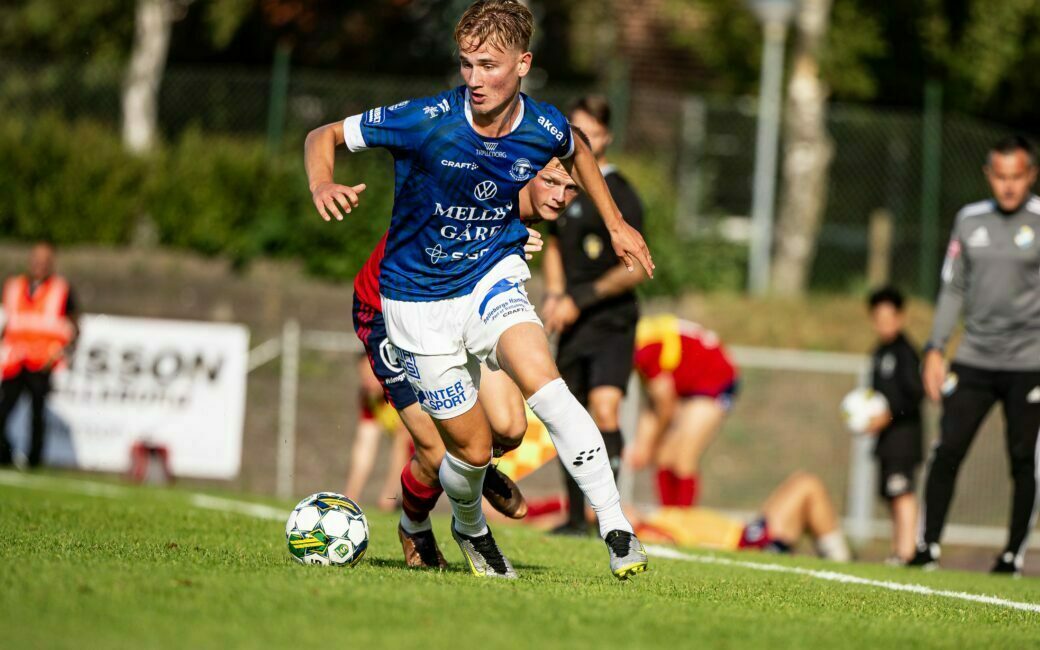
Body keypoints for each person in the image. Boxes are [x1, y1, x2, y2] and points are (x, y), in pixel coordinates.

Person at [306, 0, 654, 580]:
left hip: (487, 280)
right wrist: (323, 182)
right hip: (413, 302)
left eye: (487, 65)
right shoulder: (428, 119)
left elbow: (577, 148)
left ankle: (617, 528)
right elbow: (325, 133)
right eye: (466, 64)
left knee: (537, 394)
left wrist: (615, 223)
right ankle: (460, 524)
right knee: (457, 450)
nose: (473, 79)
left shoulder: (541, 129)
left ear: (523, 64)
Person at [352, 159, 581, 568]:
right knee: (437, 451)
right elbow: (428, 237)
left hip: (459, 311)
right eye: (551, 182)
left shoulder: (526, 215)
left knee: (510, 428)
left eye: (571, 188)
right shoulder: (479, 183)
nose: (560, 197)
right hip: (392, 311)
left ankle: (477, 463)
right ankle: (414, 526)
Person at [912, 135, 1040, 575]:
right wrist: (935, 348)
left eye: (1016, 176)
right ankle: (926, 547)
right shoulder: (969, 220)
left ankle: (1011, 555)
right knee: (947, 448)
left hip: (1030, 362)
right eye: (1000, 176)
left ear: (1031, 175)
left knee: (1023, 458)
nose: (1008, 186)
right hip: (974, 357)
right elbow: (953, 288)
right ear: (988, 175)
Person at [541, 95, 647, 535]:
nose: (583, 138)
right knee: (568, 415)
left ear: (607, 138)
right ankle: (573, 518)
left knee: (605, 409)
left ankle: (608, 515)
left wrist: (579, 298)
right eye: (576, 128)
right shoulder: (560, 183)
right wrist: (555, 293)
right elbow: (552, 242)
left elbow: (635, 268)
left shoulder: (620, 193)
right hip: (572, 320)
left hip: (611, 320)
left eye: (593, 132)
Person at [627, 314, 738, 508]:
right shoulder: (640, 340)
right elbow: (654, 402)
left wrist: (651, 443)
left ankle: (682, 518)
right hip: (687, 388)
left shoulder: (644, 350)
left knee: (684, 455)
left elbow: (664, 404)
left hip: (715, 384)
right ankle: (669, 515)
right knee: (664, 457)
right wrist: (643, 444)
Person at [636, 471, 851, 562]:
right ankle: (840, 562)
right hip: (747, 544)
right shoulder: (646, 533)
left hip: (746, 531)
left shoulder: (651, 519)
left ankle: (837, 558)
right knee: (807, 485)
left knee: (802, 482)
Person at [0, 242, 77, 468]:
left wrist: (62, 352)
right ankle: (4, 453)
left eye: (45, 261)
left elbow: (74, 324)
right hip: (15, 359)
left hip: (42, 361)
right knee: (4, 408)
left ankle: (34, 459)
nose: (39, 265)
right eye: (36, 259)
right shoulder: (14, 286)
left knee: (37, 412)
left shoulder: (61, 289)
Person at [863, 287, 924, 564]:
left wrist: (888, 415)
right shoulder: (879, 352)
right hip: (886, 439)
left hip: (904, 438)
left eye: (888, 318)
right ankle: (898, 549)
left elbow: (914, 395)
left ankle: (908, 551)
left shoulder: (905, 353)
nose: (883, 324)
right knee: (891, 494)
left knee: (902, 492)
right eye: (878, 319)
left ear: (899, 318)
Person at [344, 356, 413, 511]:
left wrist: (390, 494)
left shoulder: (402, 392)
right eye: (363, 376)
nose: (367, 382)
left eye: (371, 376)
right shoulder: (369, 397)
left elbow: (402, 444)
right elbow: (365, 447)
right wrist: (350, 497)